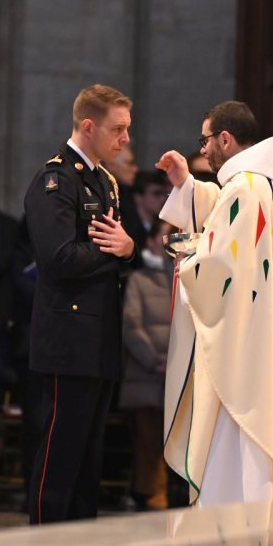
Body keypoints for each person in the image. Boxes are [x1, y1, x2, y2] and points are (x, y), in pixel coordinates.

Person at [157, 100, 273, 506]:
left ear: (224, 138)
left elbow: (218, 265)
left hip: (239, 343)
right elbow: (230, 227)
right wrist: (186, 186)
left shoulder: (244, 188)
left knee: (232, 439)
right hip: (258, 331)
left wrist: (187, 260)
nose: (202, 149)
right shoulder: (270, 186)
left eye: (205, 140)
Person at [23, 84, 137, 523]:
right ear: (88, 126)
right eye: (118, 129)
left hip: (99, 333)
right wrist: (118, 252)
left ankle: (80, 543)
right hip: (67, 338)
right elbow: (57, 258)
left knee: (89, 454)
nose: (126, 139)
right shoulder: (56, 180)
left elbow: (117, 250)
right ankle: (44, 540)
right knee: (60, 450)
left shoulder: (103, 180)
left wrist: (123, 251)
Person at [120, 218, 175, 510]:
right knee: (148, 439)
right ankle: (150, 491)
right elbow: (132, 325)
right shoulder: (140, 280)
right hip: (147, 374)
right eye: (166, 238)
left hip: (180, 375)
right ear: (154, 242)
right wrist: (156, 360)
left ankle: (176, 491)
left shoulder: (190, 278)